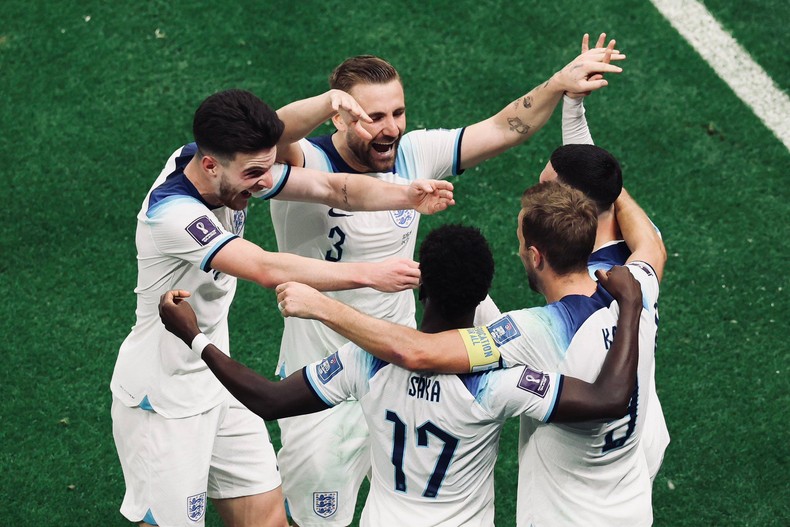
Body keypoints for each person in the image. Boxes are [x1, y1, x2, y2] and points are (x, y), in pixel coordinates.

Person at [269, 39, 625, 526]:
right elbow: (267, 134)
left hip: (398, 373)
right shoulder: (304, 166)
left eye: (398, 112)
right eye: (374, 116)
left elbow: (503, 128)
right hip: (324, 378)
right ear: (339, 115)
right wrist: (324, 101)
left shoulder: (413, 154)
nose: (391, 128)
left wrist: (558, 83)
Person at [109, 88, 455, 527]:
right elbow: (266, 267)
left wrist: (406, 194)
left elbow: (333, 187)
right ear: (211, 165)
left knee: (268, 518)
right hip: (163, 398)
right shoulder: (173, 213)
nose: (265, 182)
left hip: (217, 381)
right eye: (254, 173)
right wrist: (370, 273)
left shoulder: (215, 161)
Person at [159, 223, 644, 526]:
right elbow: (609, 399)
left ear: (420, 287)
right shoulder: (501, 382)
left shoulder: (365, 360)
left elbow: (268, 399)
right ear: (483, 298)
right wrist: (629, 305)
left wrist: (196, 338)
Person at [275, 181, 665, 526]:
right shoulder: (637, 285)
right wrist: (610, 184)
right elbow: (652, 247)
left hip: (564, 515)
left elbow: (419, 352)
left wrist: (320, 306)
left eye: (518, 243)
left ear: (535, 256)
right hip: (630, 503)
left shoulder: (531, 332)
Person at [549, 47, 671, 482]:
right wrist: (573, 104)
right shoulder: (640, 252)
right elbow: (651, 241)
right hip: (644, 432)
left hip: (594, 457)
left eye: (548, 188)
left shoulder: (574, 275)